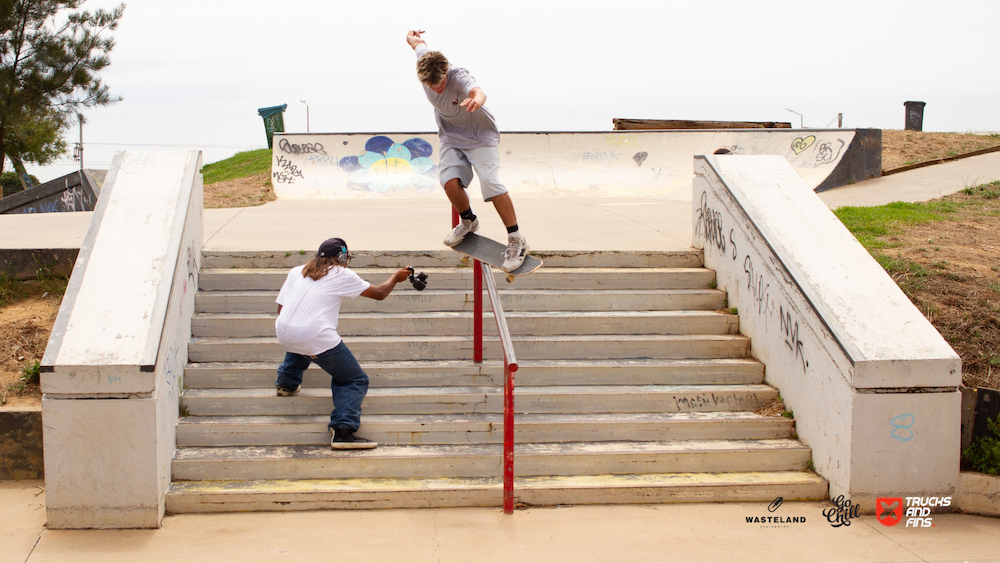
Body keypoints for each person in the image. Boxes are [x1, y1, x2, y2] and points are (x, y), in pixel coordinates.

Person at [406, 29, 529, 272]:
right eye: (430, 86)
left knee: (491, 184)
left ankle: (516, 238)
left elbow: (477, 90)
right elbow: (417, 44)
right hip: (452, 137)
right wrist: (412, 38)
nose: (436, 90)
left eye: (439, 84)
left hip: (480, 136)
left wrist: (477, 100)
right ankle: (469, 221)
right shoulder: (425, 63)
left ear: (446, 73)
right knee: (449, 182)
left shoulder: (458, 75)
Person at [273, 237, 411, 450]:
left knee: (302, 342)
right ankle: (343, 430)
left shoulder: (297, 271)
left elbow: (282, 308)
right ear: (342, 258)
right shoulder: (342, 274)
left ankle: (286, 383)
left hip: (283, 330)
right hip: (314, 335)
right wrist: (395, 277)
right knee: (353, 379)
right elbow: (380, 294)